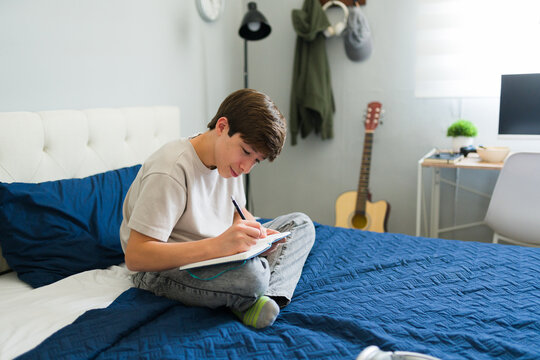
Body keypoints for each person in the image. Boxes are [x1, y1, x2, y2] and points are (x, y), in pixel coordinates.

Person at [119, 89, 316, 329]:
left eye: (256, 160)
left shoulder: (229, 162)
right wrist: (219, 246)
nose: (246, 167)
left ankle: (261, 297)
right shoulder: (171, 169)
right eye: (246, 151)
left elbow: (238, 213)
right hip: (162, 268)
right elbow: (137, 257)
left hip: (213, 250)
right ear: (222, 126)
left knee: (301, 224)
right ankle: (252, 293)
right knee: (251, 277)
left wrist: (259, 238)